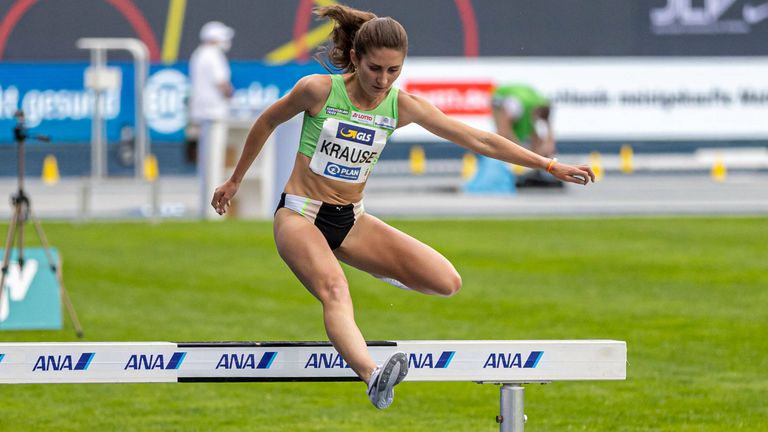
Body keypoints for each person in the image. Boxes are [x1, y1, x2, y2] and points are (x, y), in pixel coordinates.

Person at [211, 4, 594, 409]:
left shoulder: (401, 106)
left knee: (447, 282)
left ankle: (380, 268)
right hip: (300, 215)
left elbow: (479, 139)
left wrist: (548, 164)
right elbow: (267, 122)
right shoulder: (317, 90)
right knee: (336, 291)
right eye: (375, 69)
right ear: (355, 57)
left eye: (394, 70)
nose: (383, 80)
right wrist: (235, 180)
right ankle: (373, 376)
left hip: (351, 221)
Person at [189, 21, 234, 218]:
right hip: (214, 113)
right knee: (214, 163)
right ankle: (213, 207)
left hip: (201, 112)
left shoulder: (198, 54)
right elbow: (222, 83)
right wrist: (230, 94)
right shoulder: (214, 55)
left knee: (205, 164)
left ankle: (205, 204)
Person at [491, 84, 561, 187]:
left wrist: (546, 151)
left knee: (535, 138)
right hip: (502, 96)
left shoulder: (543, 105)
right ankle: (500, 171)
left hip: (523, 97)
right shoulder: (515, 107)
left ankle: (534, 166)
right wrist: (522, 153)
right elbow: (505, 131)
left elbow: (547, 132)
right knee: (503, 138)